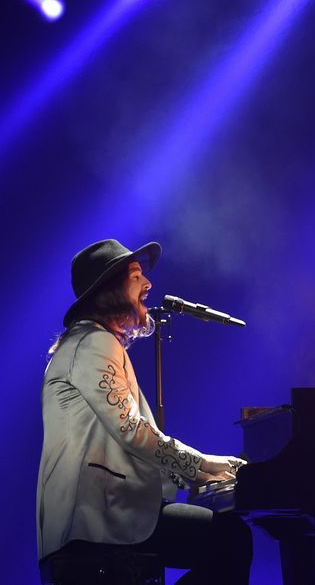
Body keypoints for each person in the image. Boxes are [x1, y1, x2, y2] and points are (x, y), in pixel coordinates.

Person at [36, 239, 252, 584]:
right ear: (110, 289)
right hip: (98, 523)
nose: (148, 284)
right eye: (136, 275)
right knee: (230, 539)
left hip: (100, 518)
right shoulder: (94, 342)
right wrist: (203, 467)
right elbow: (132, 431)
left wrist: (201, 470)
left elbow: (122, 443)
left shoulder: (87, 342)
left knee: (224, 540)